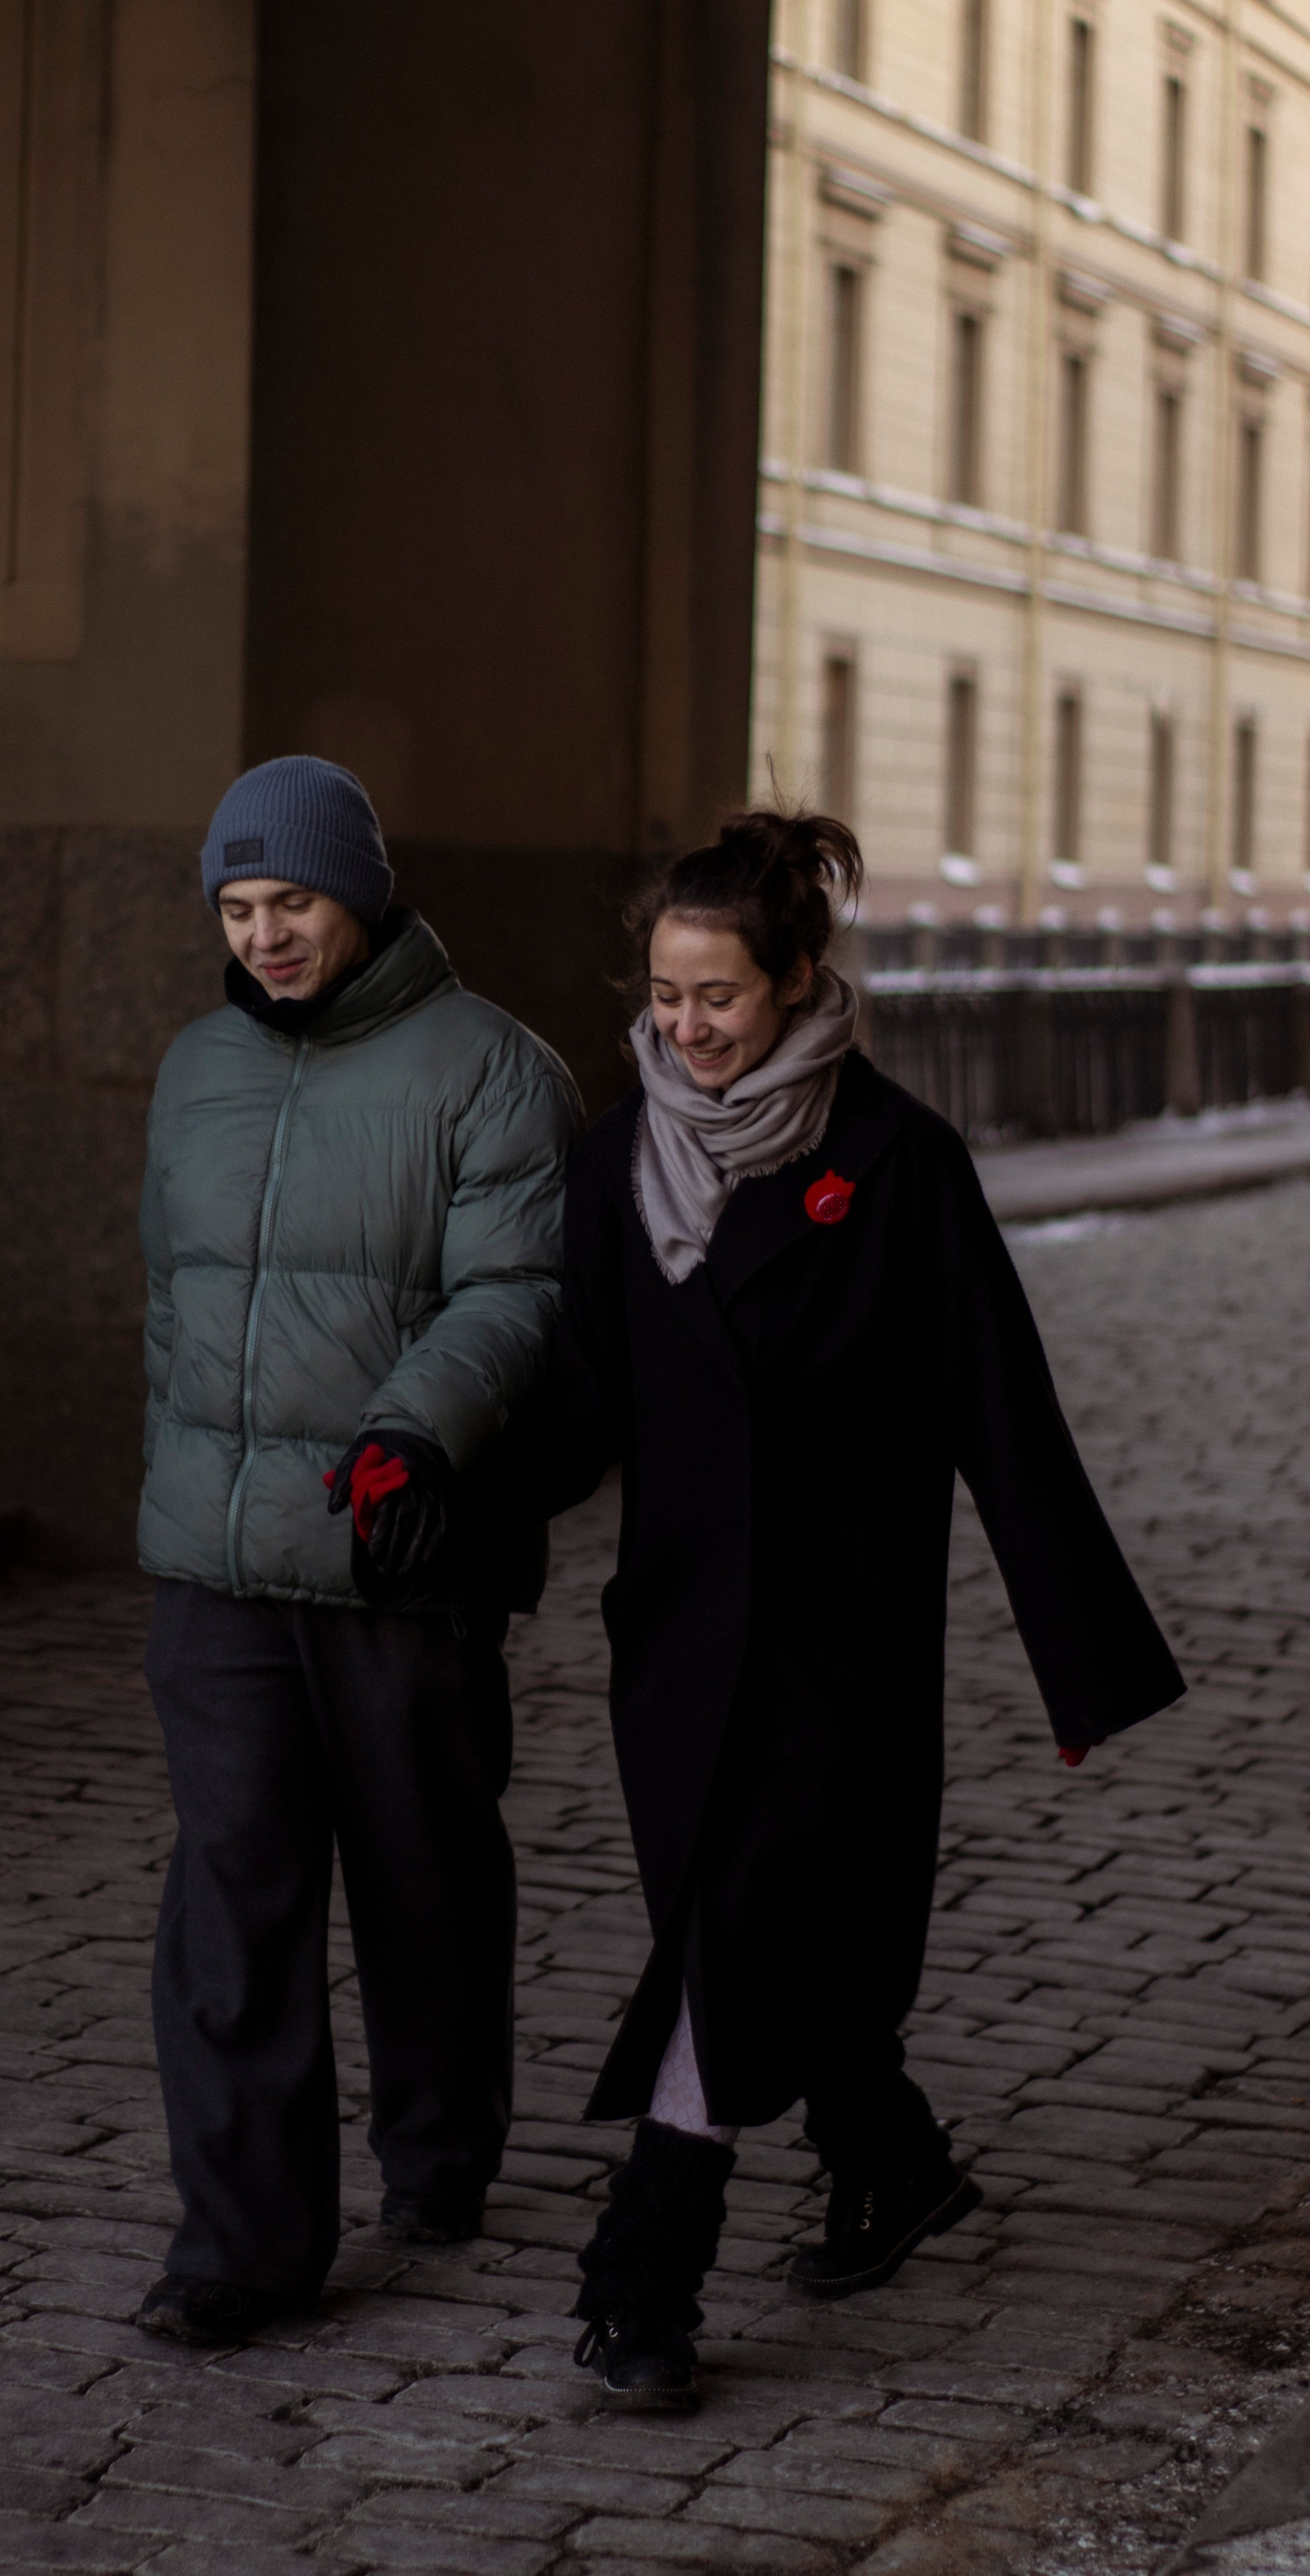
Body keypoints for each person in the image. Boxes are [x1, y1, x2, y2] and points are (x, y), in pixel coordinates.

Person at [525, 809, 1184, 2411]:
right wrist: (441, 1498)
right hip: (677, 1641)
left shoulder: (897, 1161)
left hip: (840, 1644)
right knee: (770, 1930)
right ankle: (891, 2156)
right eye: (666, 995)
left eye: (720, 996)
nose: (688, 1027)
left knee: (729, 1937)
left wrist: (1082, 1663)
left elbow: (1002, 1414)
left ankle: (640, 2285)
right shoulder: (614, 1162)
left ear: (800, 981)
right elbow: (579, 1403)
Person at [132, 753, 580, 2346]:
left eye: (293, 901)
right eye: (237, 908)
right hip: (220, 1570)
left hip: (400, 1551)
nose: (263, 935)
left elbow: (517, 1291)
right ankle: (241, 2248)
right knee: (231, 1896)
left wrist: (414, 1433)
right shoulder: (195, 1067)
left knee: (423, 1875)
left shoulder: (494, 1069)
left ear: (363, 896)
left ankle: (442, 2147)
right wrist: (179, 1491)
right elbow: (173, 1300)